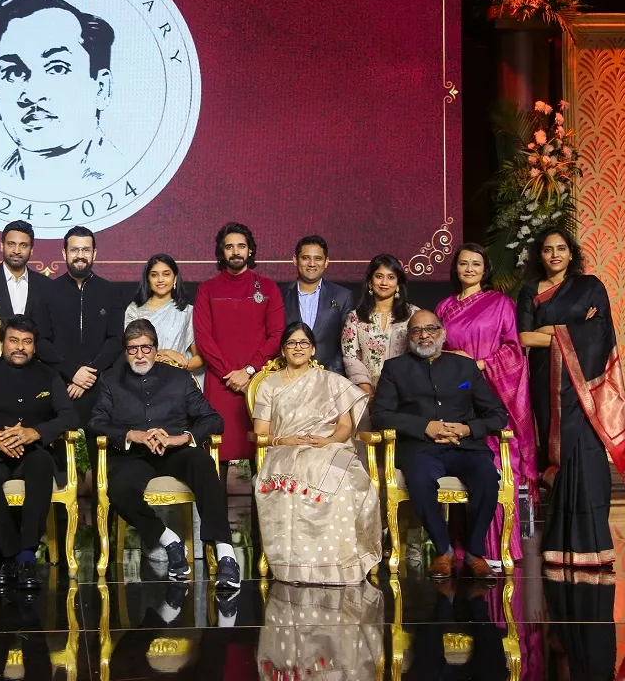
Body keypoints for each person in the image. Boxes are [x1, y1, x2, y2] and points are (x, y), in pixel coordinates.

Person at [90, 319, 239, 589]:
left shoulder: (179, 378)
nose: (140, 355)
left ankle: (226, 553)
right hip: (133, 455)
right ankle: (168, 540)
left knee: (204, 464)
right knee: (118, 487)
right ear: (125, 351)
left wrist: (179, 438)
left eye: (146, 348)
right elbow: (96, 422)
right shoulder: (111, 380)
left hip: (175, 451)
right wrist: (133, 435)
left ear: (156, 350)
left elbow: (213, 419)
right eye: (133, 349)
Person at [517, 228, 625, 567]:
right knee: (560, 457)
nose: (554, 254)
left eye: (561, 249)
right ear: (540, 255)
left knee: (587, 457)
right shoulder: (529, 291)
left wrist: (551, 330)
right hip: (547, 384)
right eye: (548, 249)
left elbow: (599, 331)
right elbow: (524, 336)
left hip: (583, 387)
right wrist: (569, 333)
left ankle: (595, 544)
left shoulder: (590, 286)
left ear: (571, 254)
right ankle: (558, 544)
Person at [372, 310, 509, 579]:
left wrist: (468, 428)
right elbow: (380, 415)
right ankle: (443, 550)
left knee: (486, 476)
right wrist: (425, 427)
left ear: (443, 333)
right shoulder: (395, 368)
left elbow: (497, 414)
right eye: (416, 331)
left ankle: (474, 552)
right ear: (409, 337)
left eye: (431, 329)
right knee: (420, 479)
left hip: (465, 446)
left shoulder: (465, 367)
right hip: (420, 448)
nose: (424, 335)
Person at [0, 315, 78, 590]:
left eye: (27, 342)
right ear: (3, 342)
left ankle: (28, 555)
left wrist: (36, 432)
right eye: (14, 340)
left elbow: (69, 417)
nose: (20, 347)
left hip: (33, 452)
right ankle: (11, 555)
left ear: (35, 346)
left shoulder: (49, 375)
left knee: (42, 466)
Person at [252, 322, 380, 585]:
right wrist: (284, 439)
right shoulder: (269, 385)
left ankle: (340, 564)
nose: (298, 348)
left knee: (342, 480)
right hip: (284, 450)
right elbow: (260, 434)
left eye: (304, 343)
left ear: (313, 349)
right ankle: (297, 567)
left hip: (327, 447)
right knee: (299, 472)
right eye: (291, 343)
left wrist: (329, 440)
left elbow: (346, 426)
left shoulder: (332, 382)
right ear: (282, 350)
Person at [436, 243, 536, 565]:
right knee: (461, 463)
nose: (469, 269)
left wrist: (478, 365)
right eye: (463, 263)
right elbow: (435, 351)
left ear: (485, 269)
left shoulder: (500, 303)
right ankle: (463, 549)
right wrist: (456, 363)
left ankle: (497, 548)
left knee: (493, 466)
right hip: (457, 392)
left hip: (489, 389)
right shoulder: (444, 308)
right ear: (456, 269)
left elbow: (513, 350)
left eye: (475, 264)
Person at [0, 0, 121, 187]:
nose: (32, 94)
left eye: (57, 68)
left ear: (101, 89)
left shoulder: (122, 171)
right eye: (12, 72)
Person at [193, 222, 284, 462]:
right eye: (229, 247)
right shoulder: (207, 289)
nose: (235, 252)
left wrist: (249, 372)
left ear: (250, 250)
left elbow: (276, 336)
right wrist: (230, 376)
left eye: (241, 246)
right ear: (221, 252)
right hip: (220, 383)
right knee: (216, 451)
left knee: (261, 453)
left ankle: (261, 503)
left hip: (258, 384)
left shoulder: (268, 288)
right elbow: (203, 338)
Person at [43, 226, 124, 477]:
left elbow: (115, 340)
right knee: (56, 465)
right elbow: (42, 341)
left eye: (85, 249)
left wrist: (89, 374)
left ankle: (104, 516)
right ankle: (63, 515)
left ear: (95, 253)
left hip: (99, 386)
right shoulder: (48, 291)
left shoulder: (110, 291)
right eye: (75, 249)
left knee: (104, 464)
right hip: (60, 385)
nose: (80, 255)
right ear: (64, 253)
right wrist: (72, 373)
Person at [0, 220, 59, 361]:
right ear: (1, 246)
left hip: (35, 369)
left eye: (23, 245)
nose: (17, 251)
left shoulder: (46, 285)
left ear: (32, 250)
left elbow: (50, 335)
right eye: (11, 244)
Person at [341, 254, 420, 396]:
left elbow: (420, 353)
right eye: (379, 276)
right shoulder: (355, 317)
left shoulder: (414, 315)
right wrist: (367, 391)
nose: (384, 282)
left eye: (391, 277)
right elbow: (350, 357)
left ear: (398, 284)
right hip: (365, 392)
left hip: (406, 391)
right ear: (370, 282)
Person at [124, 253, 205, 387]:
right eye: (154, 275)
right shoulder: (134, 310)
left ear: (175, 278)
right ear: (148, 279)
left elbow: (200, 358)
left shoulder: (188, 312)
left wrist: (176, 366)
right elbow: (131, 351)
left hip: (178, 382)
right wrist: (166, 353)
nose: (160, 279)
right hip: (142, 383)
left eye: (166, 274)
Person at [281, 235, 354, 374]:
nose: (312, 264)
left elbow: (347, 344)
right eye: (306, 258)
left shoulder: (343, 296)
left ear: (326, 261)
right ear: (295, 260)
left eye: (318, 258)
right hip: (288, 378)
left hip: (329, 379)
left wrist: (330, 375)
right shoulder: (280, 295)